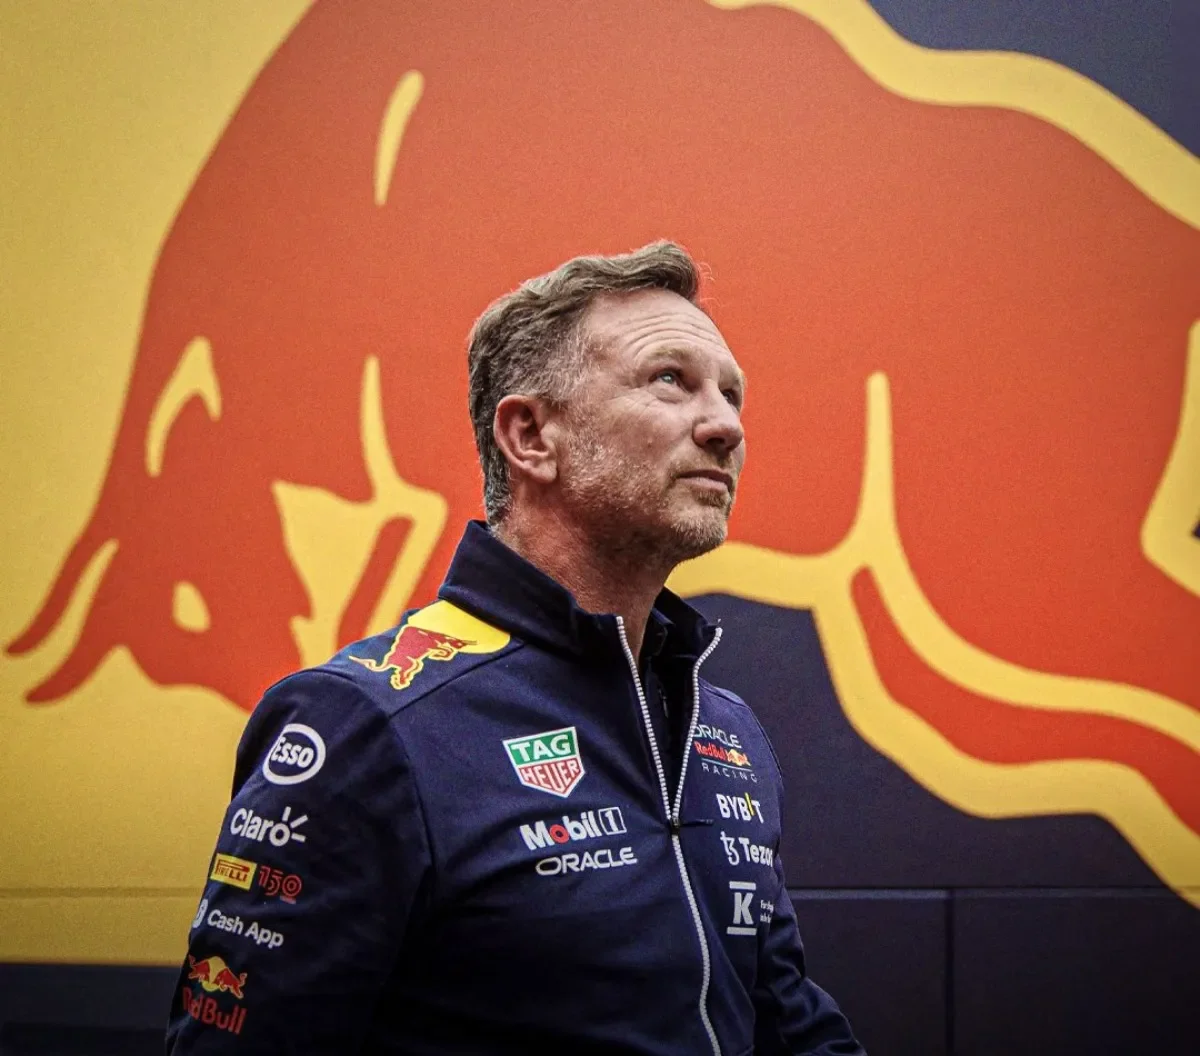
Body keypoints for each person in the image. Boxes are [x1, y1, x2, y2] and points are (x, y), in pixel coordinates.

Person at [167, 241, 865, 1054]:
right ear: (531, 435)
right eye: (671, 380)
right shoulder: (365, 725)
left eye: (731, 393)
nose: (725, 426)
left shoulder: (725, 729)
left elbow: (787, 1023)